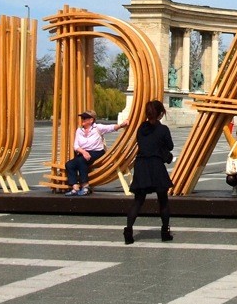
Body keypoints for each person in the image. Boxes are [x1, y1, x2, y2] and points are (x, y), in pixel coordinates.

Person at [124, 100, 173, 244]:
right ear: (160, 113)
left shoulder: (141, 128)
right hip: (156, 165)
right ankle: (165, 231)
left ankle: (128, 230)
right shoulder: (163, 129)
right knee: (163, 200)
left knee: (138, 201)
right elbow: (170, 146)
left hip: (141, 165)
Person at [66, 110, 125, 196]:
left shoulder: (97, 127)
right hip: (83, 152)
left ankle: (85, 186)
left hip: (97, 152)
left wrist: (121, 125)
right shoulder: (79, 131)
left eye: (85, 118)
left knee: (81, 161)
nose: (83, 119)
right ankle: (75, 187)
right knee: (69, 164)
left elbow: (111, 128)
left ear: (91, 120)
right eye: (82, 118)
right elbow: (76, 146)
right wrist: (83, 152)